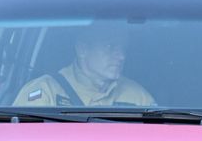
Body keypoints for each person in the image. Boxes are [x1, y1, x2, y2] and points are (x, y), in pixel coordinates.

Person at [14, 24, 155, 107]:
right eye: (110, 46)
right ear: (82, 49)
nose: (121, 57)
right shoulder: (45, 92)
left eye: (123, 48)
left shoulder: (139, 98)